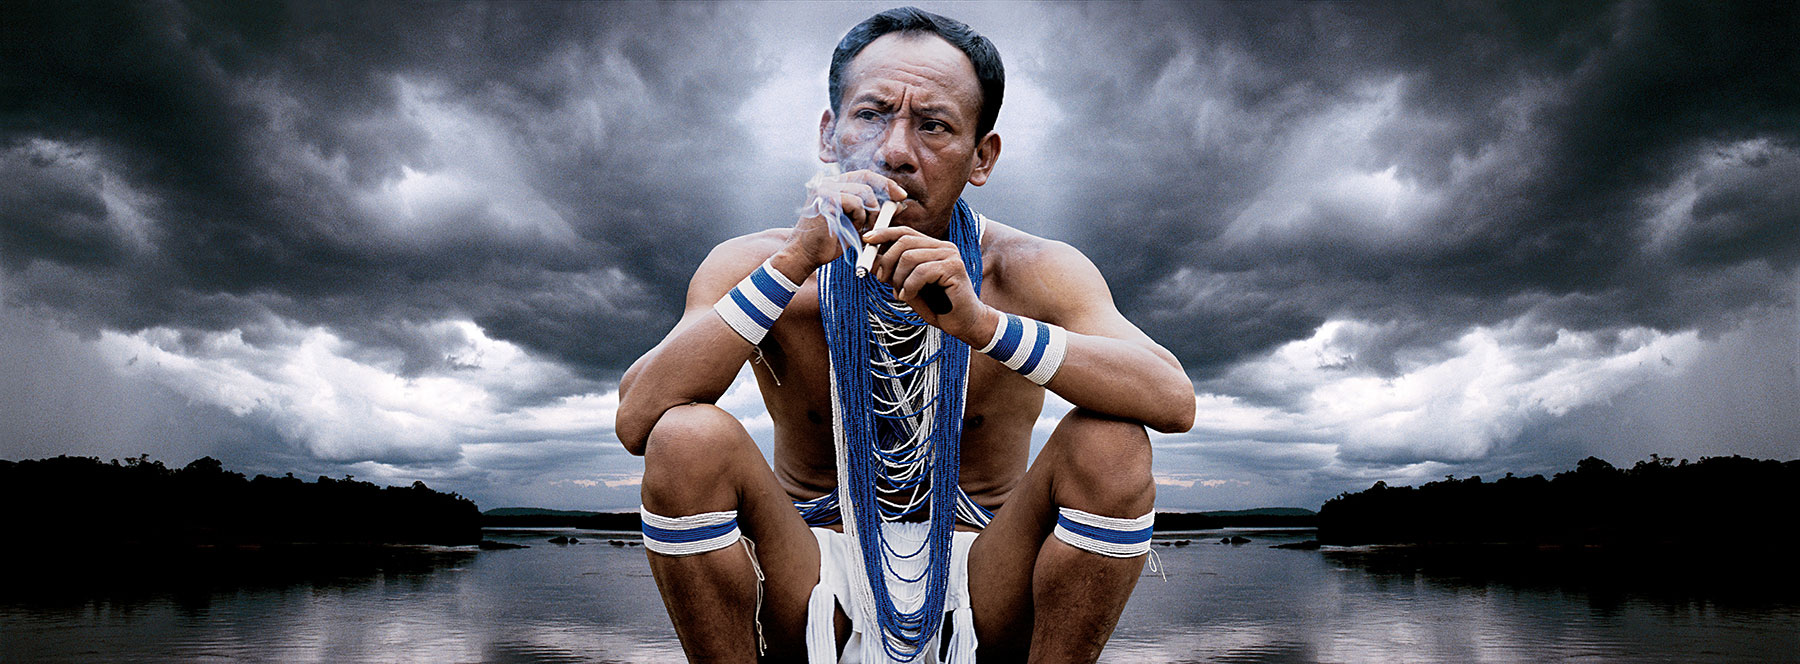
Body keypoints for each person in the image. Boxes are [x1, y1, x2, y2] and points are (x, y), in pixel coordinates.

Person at [616, 7, 1194, 662]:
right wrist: (793, 264)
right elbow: (639, 418)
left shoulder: (1028, 270)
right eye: (871, 114)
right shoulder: (763, 265)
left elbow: (1172, 399)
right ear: (829, 135)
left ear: (982, 157)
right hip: (811, 581)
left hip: (982, 582)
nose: (894, 150)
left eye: (934, 126)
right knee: (688, 437)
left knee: (1111, 442)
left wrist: (981, 325)